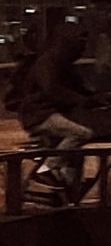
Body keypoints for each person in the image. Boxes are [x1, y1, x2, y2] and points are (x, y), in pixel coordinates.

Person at [9, 17, 97, 189]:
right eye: (80, 40)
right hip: (39, 114)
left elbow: (77, 86)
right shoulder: (48, 61)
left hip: (50, 111)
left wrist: (95, 97)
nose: (82, 46)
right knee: (82, 134)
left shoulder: (64, 62)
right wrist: (82, 100)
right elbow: (51, 89)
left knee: (75, 154)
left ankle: (69, 191)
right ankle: (46, 169)